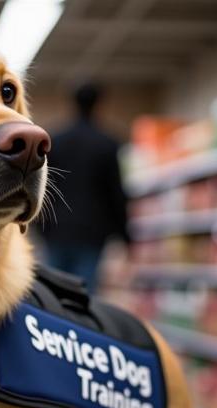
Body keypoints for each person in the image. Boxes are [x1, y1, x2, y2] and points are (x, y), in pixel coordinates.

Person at [38, 83, 129, 294]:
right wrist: (125, 235)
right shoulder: (108, 143)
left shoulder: (55, 141)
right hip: (93, 232)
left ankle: (53, 326)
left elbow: (43, 186)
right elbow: (115, 192)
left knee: (52, 292)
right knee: (84, 295)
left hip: (56, 228)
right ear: (99, 104)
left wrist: (40, 226)